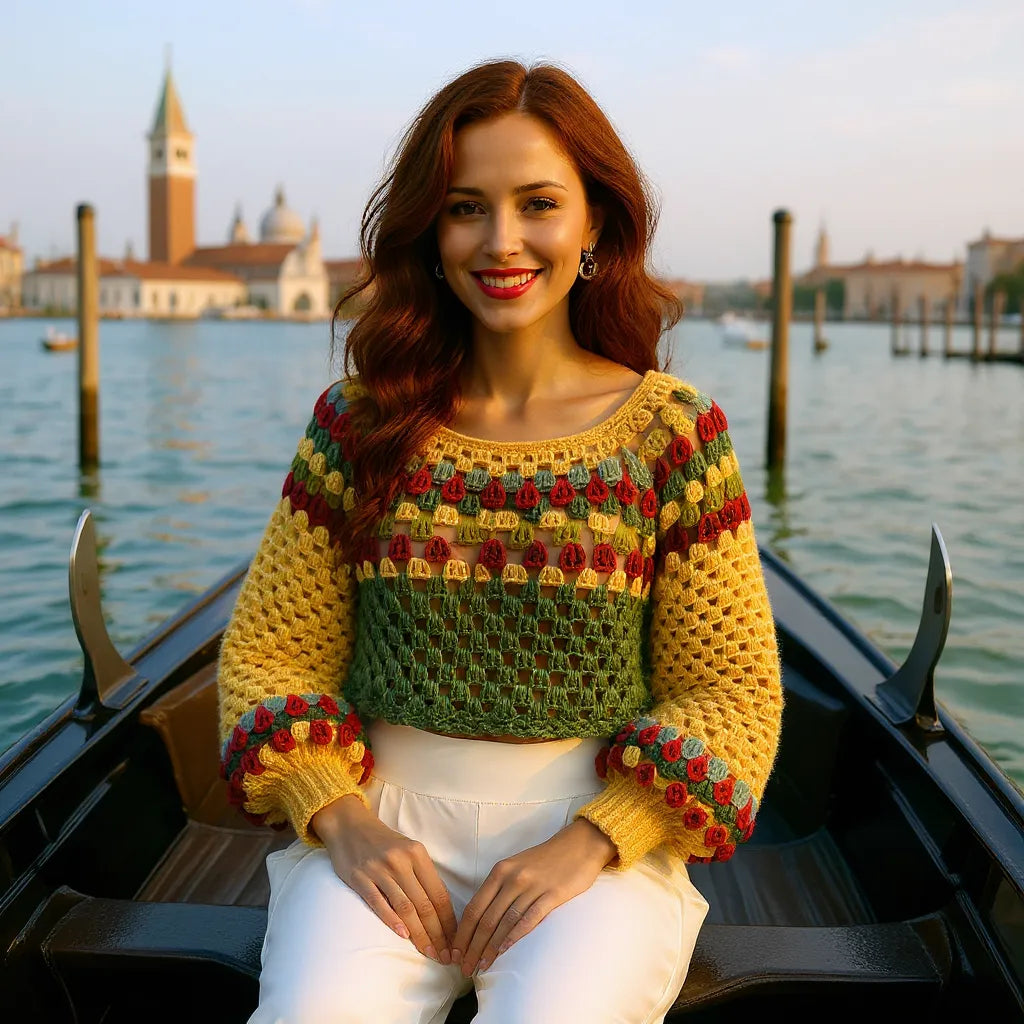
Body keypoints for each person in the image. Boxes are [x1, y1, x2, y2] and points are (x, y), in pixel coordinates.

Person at [217, 57, 783, 1024]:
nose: (502, 240)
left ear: (595, 223)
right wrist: (339, 819)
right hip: (375, 834)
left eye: (538, 204)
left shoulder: (673, 434)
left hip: (596, 845)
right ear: (430, 232)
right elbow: (270, 657)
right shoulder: (357, 424)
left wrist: (598, 838)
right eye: (466, 207)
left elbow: (731, 693)